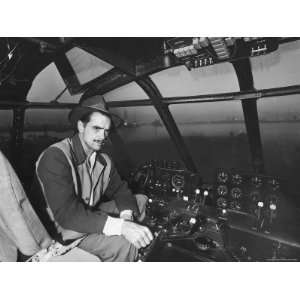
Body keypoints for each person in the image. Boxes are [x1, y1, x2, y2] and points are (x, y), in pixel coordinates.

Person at [30, 94, 153, 261]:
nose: (103, 136)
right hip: (62, 231)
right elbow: (69, 216)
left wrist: (126, 217)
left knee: (140, 200)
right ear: (81, 126)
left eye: (106, 131)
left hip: (87, 215)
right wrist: (121, 227)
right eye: (96, 128)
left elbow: (121, 191)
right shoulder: (55, 156)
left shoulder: (104, 160)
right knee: (124, 245)